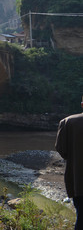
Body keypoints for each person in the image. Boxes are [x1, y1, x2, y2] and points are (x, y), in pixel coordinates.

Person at [55, 96, 83, 230]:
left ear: (82, 104)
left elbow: (61, 150)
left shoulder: (67, 122)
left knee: (81, 218)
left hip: (78, 181)